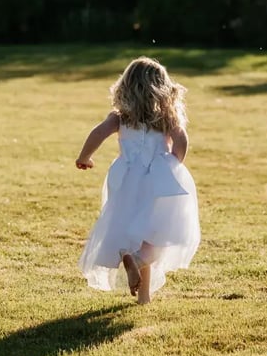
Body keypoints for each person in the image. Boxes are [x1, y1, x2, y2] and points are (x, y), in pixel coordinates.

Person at [75, 56, 201, 304]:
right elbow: (182, 139)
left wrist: (85, 157)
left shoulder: (120, 116)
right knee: (160, 236)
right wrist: (174, 163)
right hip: (158, 180)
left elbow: (99, 132)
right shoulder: (167, 117)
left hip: (126, 180)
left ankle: (144, 295)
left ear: (126, 86)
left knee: (137, 234)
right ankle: (138, 261)